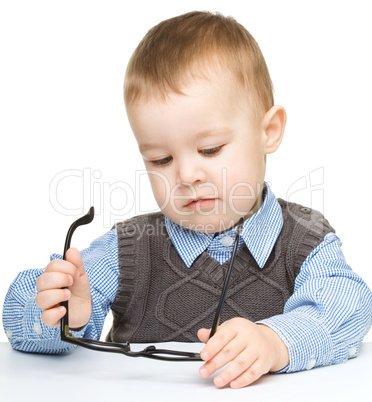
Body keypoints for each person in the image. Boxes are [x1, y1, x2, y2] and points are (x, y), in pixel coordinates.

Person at [2, 11, 372, 389]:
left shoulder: (305, 239)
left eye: (210, 150)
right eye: (161, 159)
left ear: (269, 132)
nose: (186, 176)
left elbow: (349, 305)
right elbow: (19, 325)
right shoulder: (128, 247)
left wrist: (277, 343)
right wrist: (64, 312)